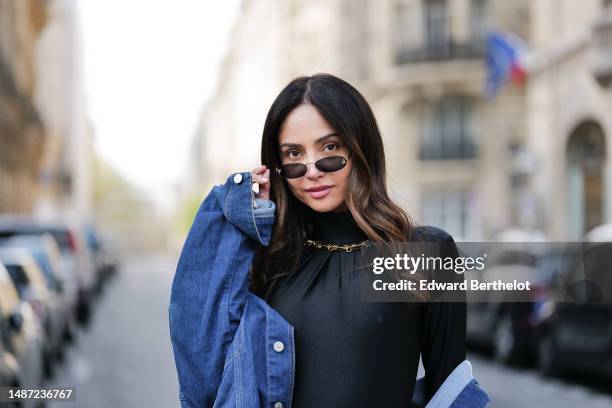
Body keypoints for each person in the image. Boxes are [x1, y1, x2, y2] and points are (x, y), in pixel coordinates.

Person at [169, 73, 489, 408]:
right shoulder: (268, 260)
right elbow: (200, 358)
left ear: (360, 146)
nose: (311, 170)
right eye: (293, 154)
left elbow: (452, 395)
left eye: (330, 148)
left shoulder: (426, 253)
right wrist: (237, 221)